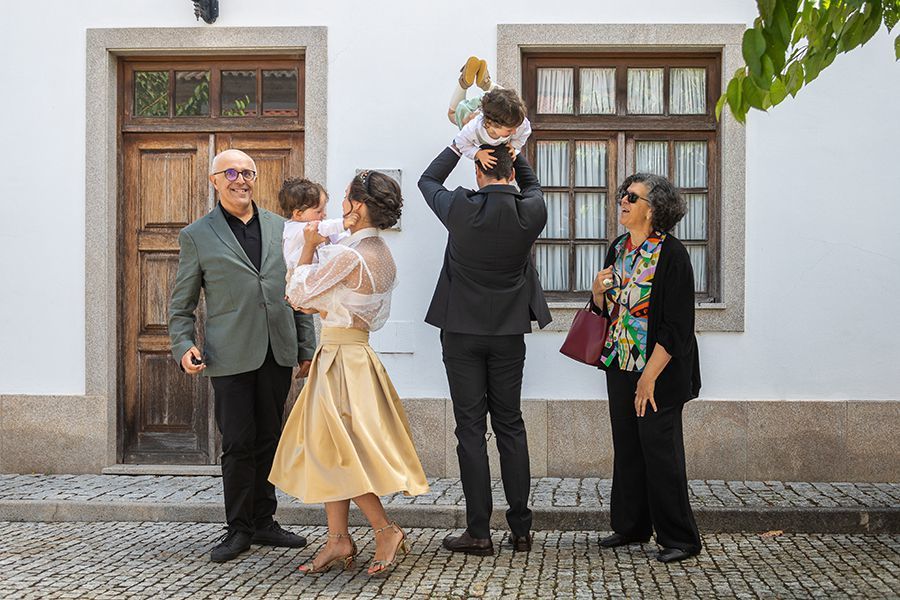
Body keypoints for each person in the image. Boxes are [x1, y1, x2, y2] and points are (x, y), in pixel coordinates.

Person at [270, 170, 429, 576]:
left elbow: (297, 295)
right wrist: (321, 304)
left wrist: (306, 249)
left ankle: (384, 529)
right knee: (332, 448)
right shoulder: (381, 255)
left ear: (358, 207)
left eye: (345, 198)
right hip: (355, 355)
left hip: (340, 359)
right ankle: (338, 539)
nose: (340, 207)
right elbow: (352, 310)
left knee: (342, 452)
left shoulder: (350, 255)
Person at [168, 149, 316, 562]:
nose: (241, 180)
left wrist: (306, 348)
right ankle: (238, 529)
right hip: (229, 354)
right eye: (231, 172)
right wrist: (183, 346)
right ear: (214, 180)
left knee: (270, 437)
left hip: (277, 349)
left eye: (248, 172)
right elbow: (181, 305)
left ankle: (265, 522)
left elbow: (298, 291)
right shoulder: (197, 235)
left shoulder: (282, 227)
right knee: (237, 442)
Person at [418, 142, 551, 555]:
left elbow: (427, 180)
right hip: (509, 332)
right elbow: (532, 185)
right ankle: (522, 530)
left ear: (479, 173)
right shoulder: (532, 211)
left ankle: (479, 532)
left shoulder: (461, 207)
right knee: (510, 424)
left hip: (461, 332)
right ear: (511, 173)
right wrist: (516, 151)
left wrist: (460, 146)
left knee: (471, 430)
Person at [591, 173, 703, 564]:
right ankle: (632, 526)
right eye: (622, 194)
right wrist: (597, 293)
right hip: (620, 362)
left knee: (661, 452)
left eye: (632, 196)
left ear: (653, 209)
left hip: (658, 371)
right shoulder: (619, 248)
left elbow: (677, 325)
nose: (622, 200)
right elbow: (609, 312)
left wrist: (649, 377)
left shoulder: (672, 254)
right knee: (628, 447)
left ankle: (681, 538)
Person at [448, 56, 532, 169]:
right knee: (452, 114)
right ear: (489, 124)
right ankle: (465, 83)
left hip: (491, 103)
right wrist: (477, 153)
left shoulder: (518, 123)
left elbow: (526, 131)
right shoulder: (473, 128)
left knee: (507, 101)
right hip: (471, 111)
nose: (514, 131)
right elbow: (460, 142)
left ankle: (487, 84)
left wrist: (513, 146)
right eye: (509, 130)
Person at [278, 177, 356, 276]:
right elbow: (323, 228)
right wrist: (343, 224)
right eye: (318, 211)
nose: (324, 214)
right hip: (300, 276)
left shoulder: (317, 225)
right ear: (298, 214)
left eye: (323, 210)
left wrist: (351, 235)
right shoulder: (294, 229)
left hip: (316, 274)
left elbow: (335, 236)